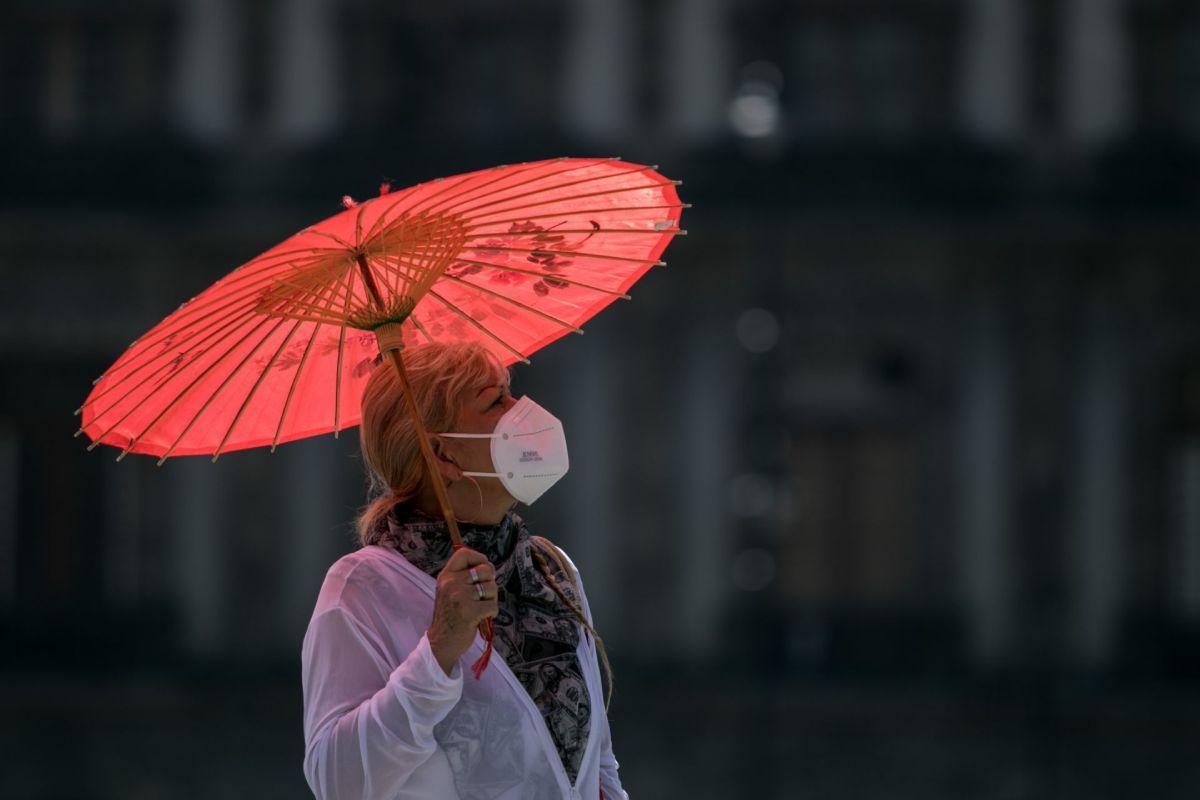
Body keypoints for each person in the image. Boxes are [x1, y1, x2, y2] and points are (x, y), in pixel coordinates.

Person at [301, 341, 629, 800]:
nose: (523, 411)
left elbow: (598, 766)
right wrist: (438, 651)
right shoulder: (361, 587)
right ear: (443, 455)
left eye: (510, 392)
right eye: (495, 401)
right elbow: (335, 780)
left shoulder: (550, 569)